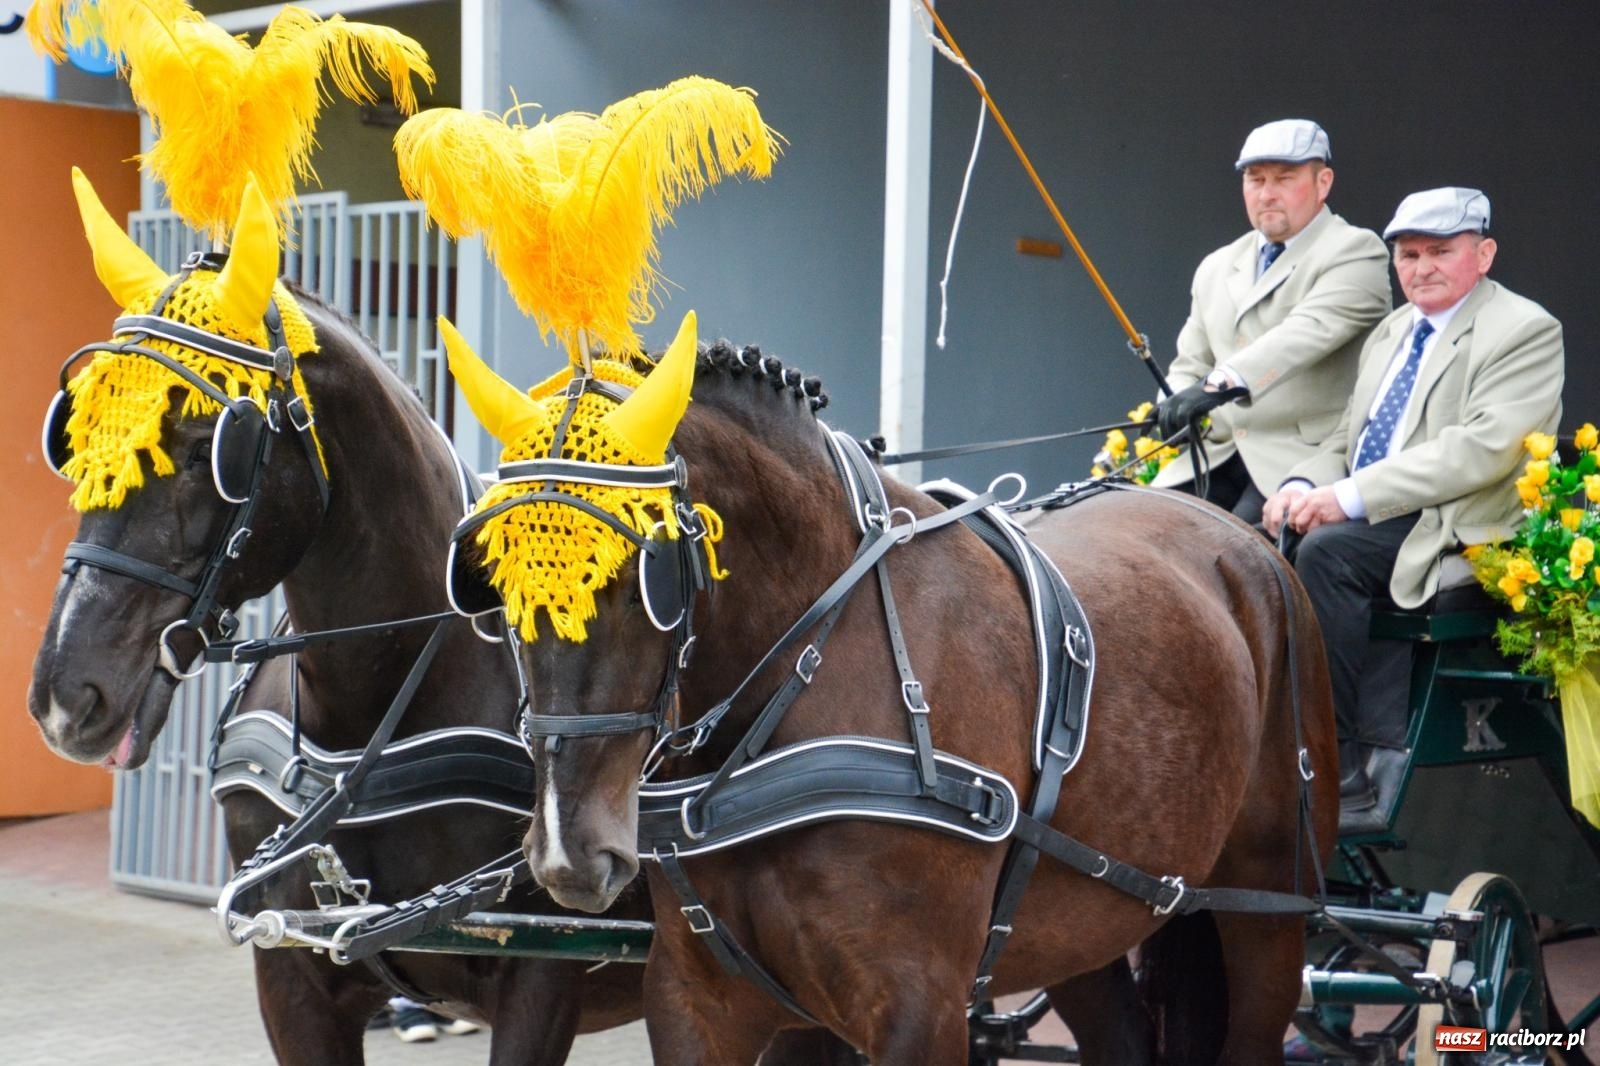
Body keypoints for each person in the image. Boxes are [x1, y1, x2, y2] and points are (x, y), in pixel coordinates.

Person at [1263, 187, 1564, 832]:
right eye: (1407, 254)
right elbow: (1348, 437)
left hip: (1459, 522)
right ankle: (1265, 745)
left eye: (1439, 252)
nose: (1421, 267)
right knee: (1251, 548)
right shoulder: (1394, 329)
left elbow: (1479, 451)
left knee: (1327, 553)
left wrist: (1346, 498)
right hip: (1382, 511)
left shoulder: (1525, 330)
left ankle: (1336, 767)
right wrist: (1299, 483)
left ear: (1484, 254)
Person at [1152, 119, 1391, 524]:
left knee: (1228, 550)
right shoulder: (1217, 265)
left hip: (1301, 461)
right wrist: (1170, 403)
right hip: (1215, 455)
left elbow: (1300, 336)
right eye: (1255, 179)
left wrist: (1214, 387)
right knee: (1133, 528)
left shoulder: (1357, 251)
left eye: (1284, 178)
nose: (1266, 194)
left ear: (1323, 183)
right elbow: (1190, 362)